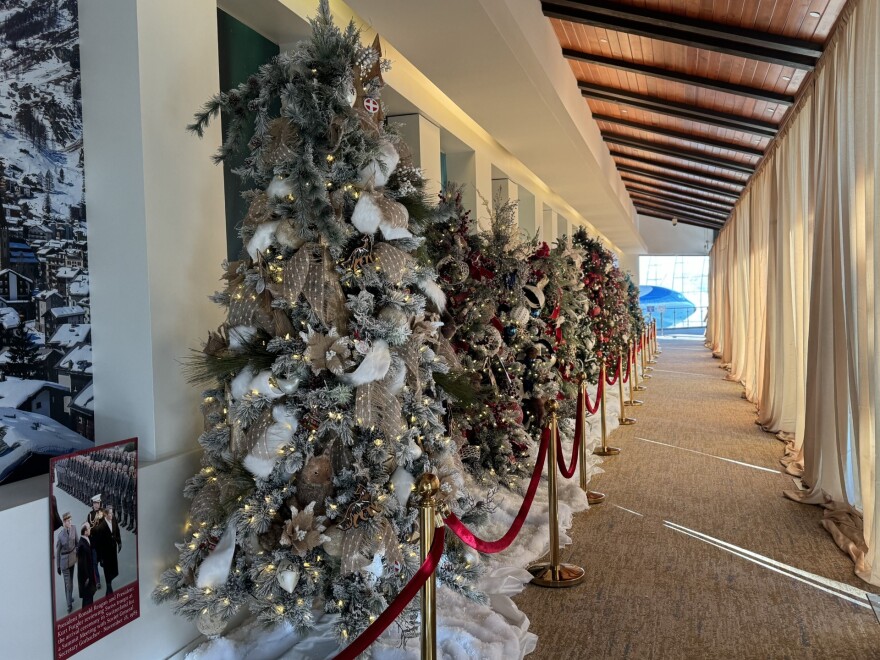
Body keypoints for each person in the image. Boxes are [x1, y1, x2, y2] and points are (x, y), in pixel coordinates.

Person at [91, 505, 121, 595]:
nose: (112, 515)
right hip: (105, 552)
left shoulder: (114, 519)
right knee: (107, 569)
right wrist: (101, 558)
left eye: (112, 513)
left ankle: (110, 581)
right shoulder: (101, 527)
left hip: (113, 549)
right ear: (106, 514)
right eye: (110, 513)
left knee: (113, 568)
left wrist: (119, 542)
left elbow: (117, 531)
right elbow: (98, 544)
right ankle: (109, 587)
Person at [55, 512, 78, 614]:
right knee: (68, 584)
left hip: (72, 559)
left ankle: (69, 598)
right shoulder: (60, 536)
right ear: (64, 522)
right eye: (68, 521)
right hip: (64, 562)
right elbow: (58, 552)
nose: (70, 522)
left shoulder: (74, 529)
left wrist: (77, 554)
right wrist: (58, 566)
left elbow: (77, 543)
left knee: (70, 582)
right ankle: (69, 604)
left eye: (70, 520)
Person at [76, 523, 96, 609]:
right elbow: (82, 564)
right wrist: (87, 577)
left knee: (89, 597)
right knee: (87, 599)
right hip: (86, 578)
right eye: (89, 528)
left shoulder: (86, 539)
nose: (90, 529)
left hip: (89, 574)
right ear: (85, 532)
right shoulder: (82, 546)